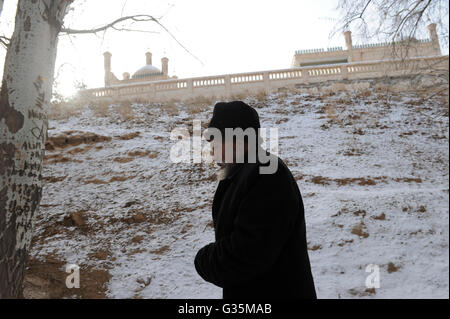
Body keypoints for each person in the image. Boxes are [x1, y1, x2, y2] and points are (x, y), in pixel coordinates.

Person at [194, 100, 317, 299]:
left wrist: (203, 259)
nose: (211, 148)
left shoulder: (266, 174)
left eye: (215, 140)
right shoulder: (243, 174)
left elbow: (245, 256)